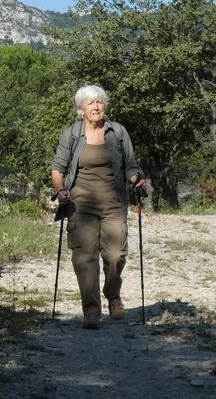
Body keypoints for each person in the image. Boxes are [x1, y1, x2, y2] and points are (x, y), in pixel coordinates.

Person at [50, 84, 146, 329]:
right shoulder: (72, 134)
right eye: (91, 103)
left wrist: (136, 179)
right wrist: (60, 190)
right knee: (84, 257)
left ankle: (112, 294)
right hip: (80, 205)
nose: (96, 106)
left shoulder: (118, 132)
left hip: (114, 202)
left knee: (116, 255)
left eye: (100, 102)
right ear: (81, 109)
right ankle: (91, 310)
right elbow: (58, 169)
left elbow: (131, 165)